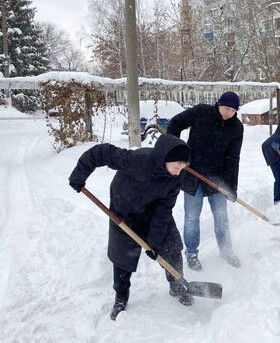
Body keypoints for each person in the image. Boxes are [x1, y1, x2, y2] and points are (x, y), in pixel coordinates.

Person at [68, 134, 194, 320]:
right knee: (123, 256)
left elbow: (164, 210)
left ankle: (176, 285)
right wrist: (79, 175)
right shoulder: (136, 160)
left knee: (172, 246)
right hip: (124, 210)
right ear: (165, 159)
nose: (179, 171)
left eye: (183, 167)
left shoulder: (175, 177)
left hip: (152, 210)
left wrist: (154, 242)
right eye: (177, 166)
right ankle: (121, 296)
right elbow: (100, 152)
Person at [167, 91, 243, 271]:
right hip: (193, 173)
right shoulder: (201, 112)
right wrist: (175, 150)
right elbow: (175, 124)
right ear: (218, 104)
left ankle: (226, 250)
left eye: (233, 110)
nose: (228, 113)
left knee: (221, 217)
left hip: (217, 178)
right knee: (192, 218)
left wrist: (231, 187)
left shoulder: (236, 127)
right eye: (226, 108)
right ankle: (192, 254)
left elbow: (233, 158)